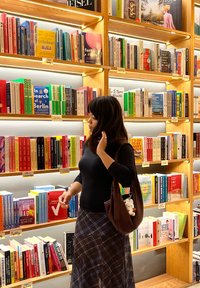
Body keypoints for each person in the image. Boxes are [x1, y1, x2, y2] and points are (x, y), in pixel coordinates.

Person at [59, 96, 137, 288]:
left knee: (111, 271)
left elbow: (128, 178)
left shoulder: (122, 147)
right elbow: (84, 175)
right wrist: (70, 191)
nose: (89, 121)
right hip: (85, 219)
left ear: (106, 119)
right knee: (84, 268)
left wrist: (103, 153)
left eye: (93, 117)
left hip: (109, 219)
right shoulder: (90, 143)